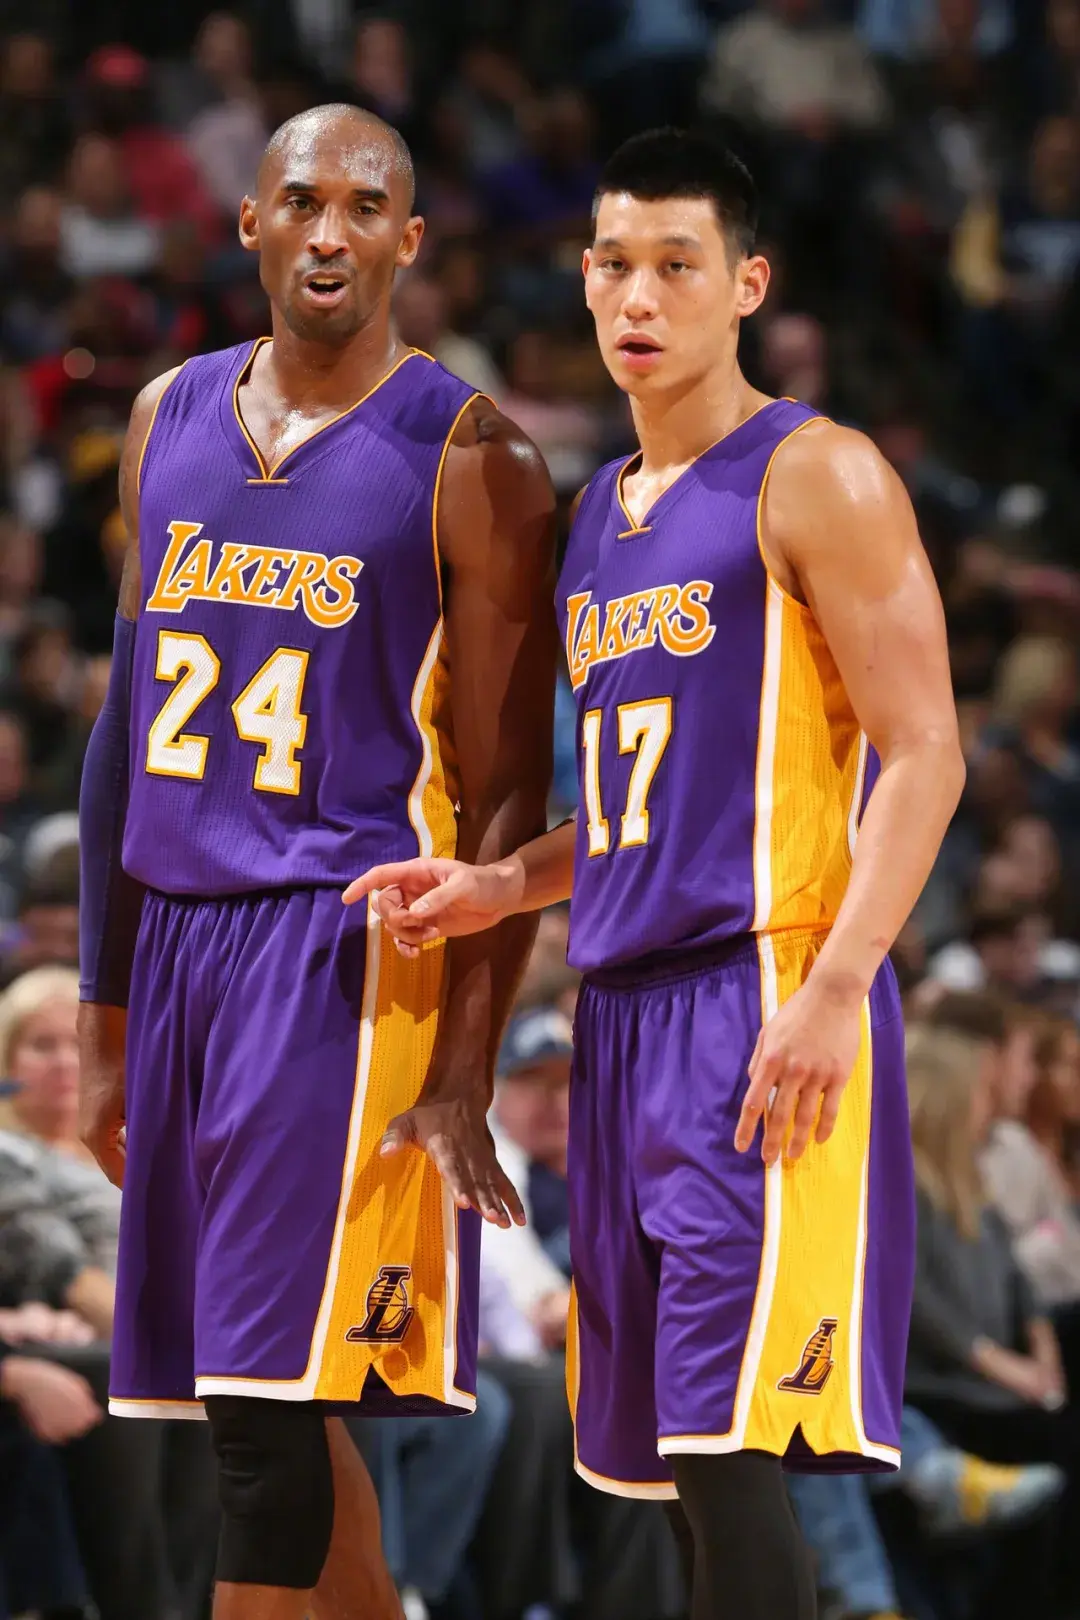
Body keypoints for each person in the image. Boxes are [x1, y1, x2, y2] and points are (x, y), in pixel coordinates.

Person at [349, 126, 965, 1620]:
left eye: (678, 266)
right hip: (621, 1013)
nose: (640, 296)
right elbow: (642, 809)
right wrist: (504, 889)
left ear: (746, 284)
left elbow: (927, 753)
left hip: (763, 996)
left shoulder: (819, 475)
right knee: (677, 1475)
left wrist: (836, 988)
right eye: (616, 264)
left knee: (732, 1458)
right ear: (582, 277)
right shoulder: (598, 520)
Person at [77, 102, 556, 1620]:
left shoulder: (474, 456)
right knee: (255, 1383)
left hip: (342, 954)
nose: (330, 233)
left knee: (259, 1413)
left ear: (410, 240)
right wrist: (102, 1018)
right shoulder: (164, 417)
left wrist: (465, 1067)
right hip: (179, 942)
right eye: (301, 201)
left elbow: (508, 791)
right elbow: (121, 737)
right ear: (251, 223)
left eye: (363, 207)